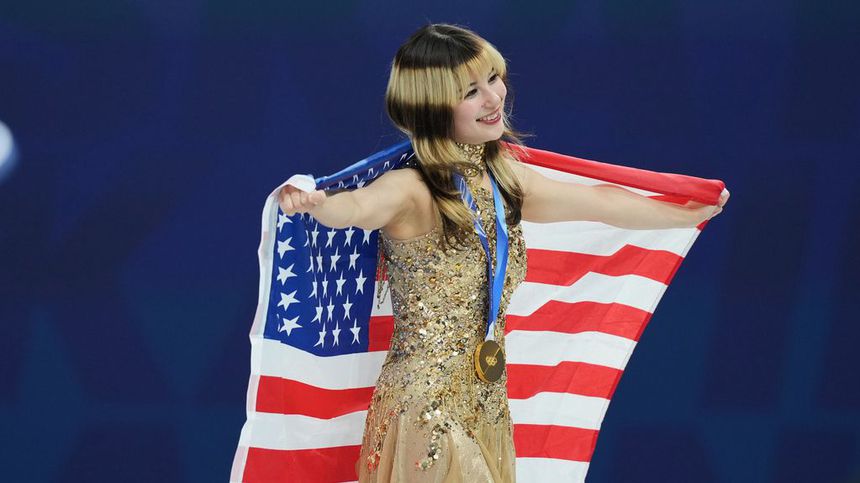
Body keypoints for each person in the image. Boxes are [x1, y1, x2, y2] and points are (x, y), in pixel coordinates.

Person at [277, 23, 729, 483]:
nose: (494, 98)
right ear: (432, 107)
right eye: (471, 91)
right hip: (428, 414)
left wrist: (685, 215)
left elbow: (599, 202)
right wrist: (316, 202)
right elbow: (356, 208)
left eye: (494, 78)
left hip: (488, 407)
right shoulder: (411, 189)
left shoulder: (504, 180)